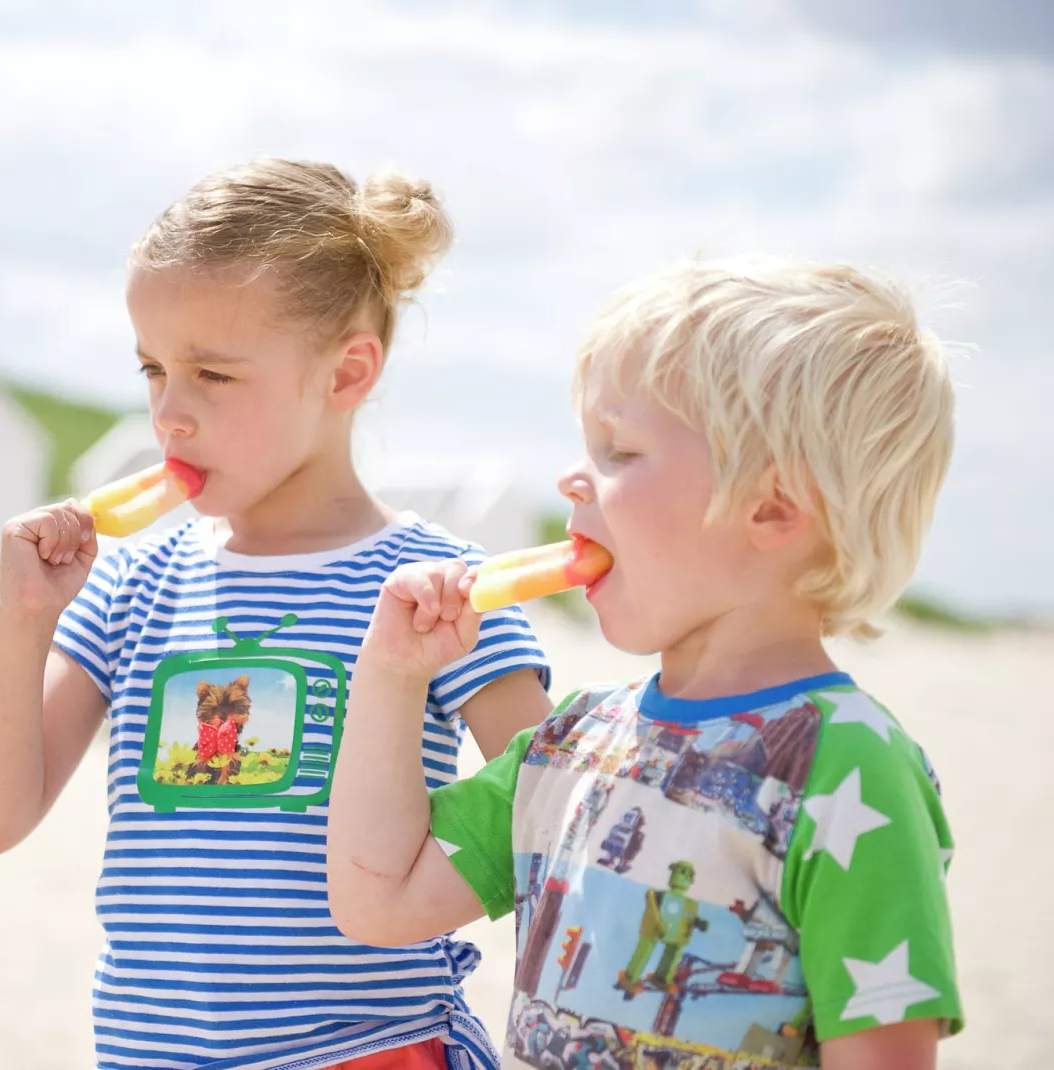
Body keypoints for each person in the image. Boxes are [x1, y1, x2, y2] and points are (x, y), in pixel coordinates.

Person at [0, 158, 553, 1070]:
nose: (169, 416)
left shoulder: (439, 590)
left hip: (372, 1050)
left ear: (346, 374)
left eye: (213, 376)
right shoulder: (130, 583)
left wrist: (418, 898)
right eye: (153, 369)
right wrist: (19, 624)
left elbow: (555, 807)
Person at [328, 256, 963, 1069]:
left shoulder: (847, 768)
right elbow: (378, 901)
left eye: (619, 451)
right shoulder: (568, 747)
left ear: (771, 507)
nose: (571, 475)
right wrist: (390, 676)